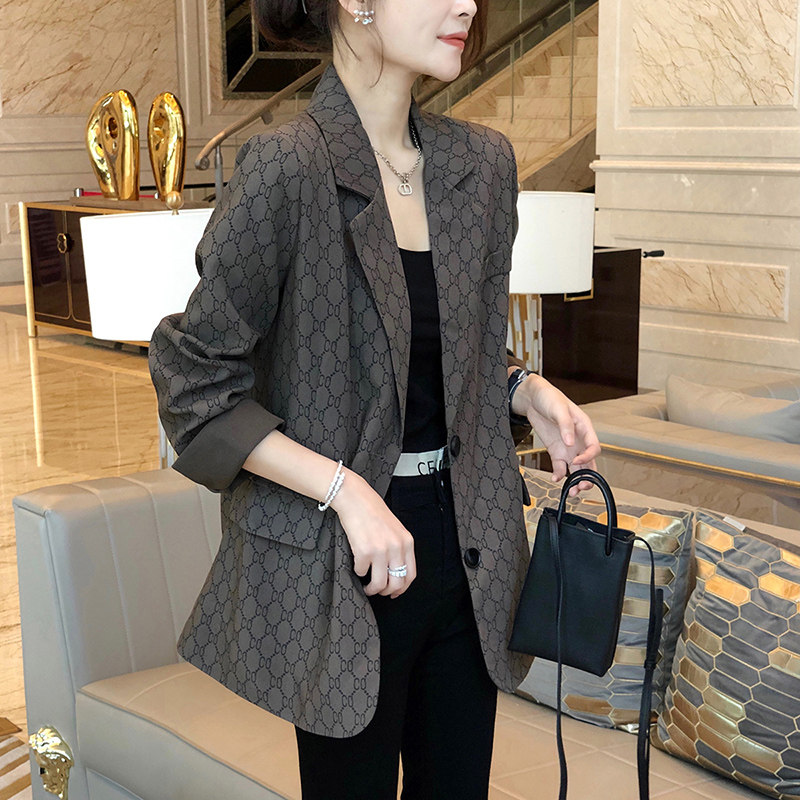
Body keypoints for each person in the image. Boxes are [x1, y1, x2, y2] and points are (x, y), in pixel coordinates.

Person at [148, 0, 601, 797]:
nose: (468, 4)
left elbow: (443, 344)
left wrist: (524, 388)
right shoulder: (287, 167)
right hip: (343, 560)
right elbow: (194, 382)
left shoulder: (482, 165)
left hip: (473, 542)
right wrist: (346, 490)